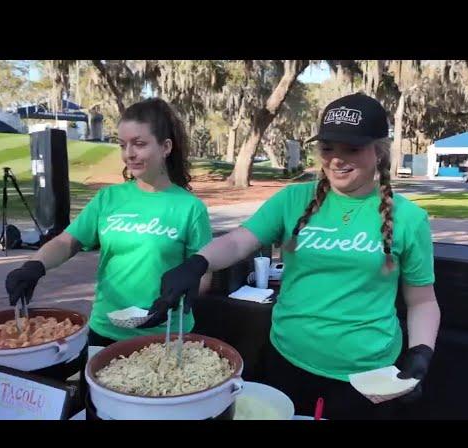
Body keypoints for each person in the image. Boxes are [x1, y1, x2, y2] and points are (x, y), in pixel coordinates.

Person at [145, 93, 441, 419]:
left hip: (367, 377)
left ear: (379, 151)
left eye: (352, 149)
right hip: (288, 361)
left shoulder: (410, 220)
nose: (337, 159)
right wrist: (197, 262)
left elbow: (422, 301)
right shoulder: (293, 199)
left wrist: (422, 352)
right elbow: (240, 240)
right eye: (328, 148)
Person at [5, 98, 213, 347]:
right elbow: (67, 241)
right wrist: (35, 266)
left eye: (139, 144)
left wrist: (174, 299)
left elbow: (204, 274)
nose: (129, 154)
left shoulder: (190, 208)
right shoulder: (109, 198)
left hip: (167, 335)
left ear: (165, 147)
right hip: (105, 330)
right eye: (123, 145)